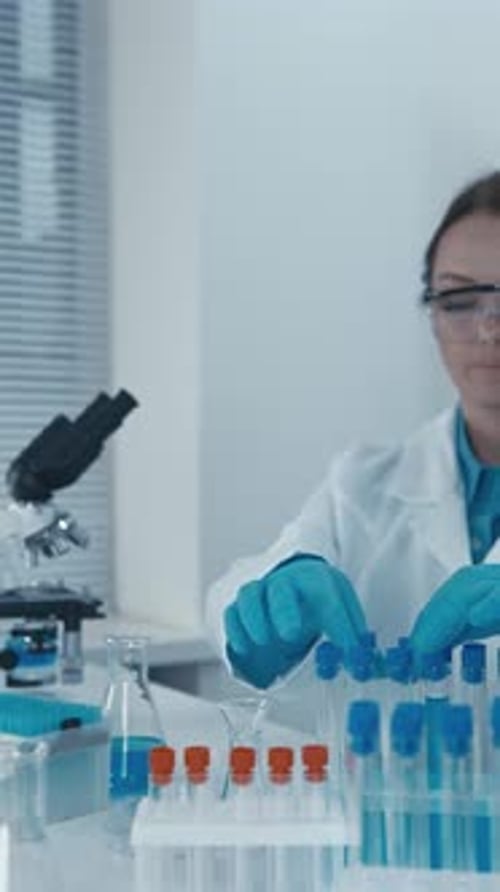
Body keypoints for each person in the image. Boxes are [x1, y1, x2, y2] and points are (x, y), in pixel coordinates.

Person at [206, 171, 500, 689]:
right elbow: (243, 588)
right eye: (459, 301)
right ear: (431, 317)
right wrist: (272, 601)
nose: (489, 328)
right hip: (396, 772)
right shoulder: (365, 480)